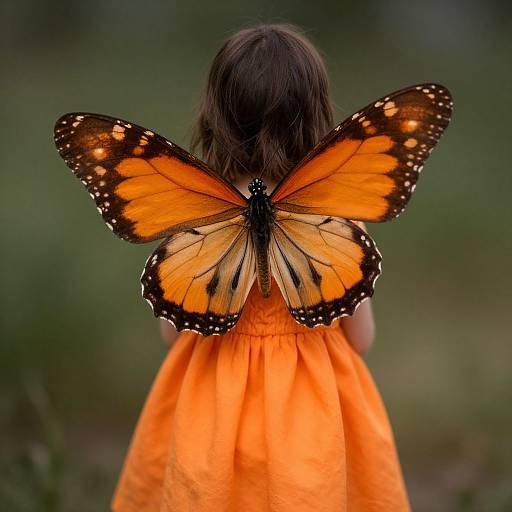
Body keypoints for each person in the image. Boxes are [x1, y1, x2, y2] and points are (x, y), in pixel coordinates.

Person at [112, 24, 410, 512]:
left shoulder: (194, 210)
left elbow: (173, 337)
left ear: (214, 114)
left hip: (211, 410)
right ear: (317, 114)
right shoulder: (333, 213)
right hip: (316, 413)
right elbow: (362, 339)